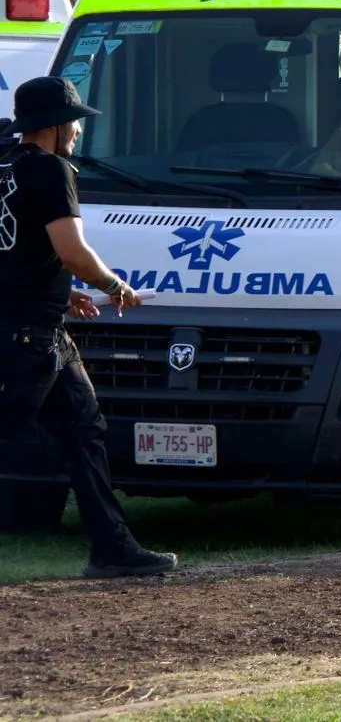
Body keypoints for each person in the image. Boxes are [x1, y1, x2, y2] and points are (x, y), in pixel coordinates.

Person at [0, 77, 176, 577]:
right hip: (30, 336)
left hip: (38, 326)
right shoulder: (53, 170)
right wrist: (114, 285)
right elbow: (72, 250)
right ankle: (113, 548)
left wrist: (62, 290)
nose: (78, 130)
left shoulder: (4, 165)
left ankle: (113, 548)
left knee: (84, 430)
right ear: (56, 126)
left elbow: (16, 248)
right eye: (75, 120)